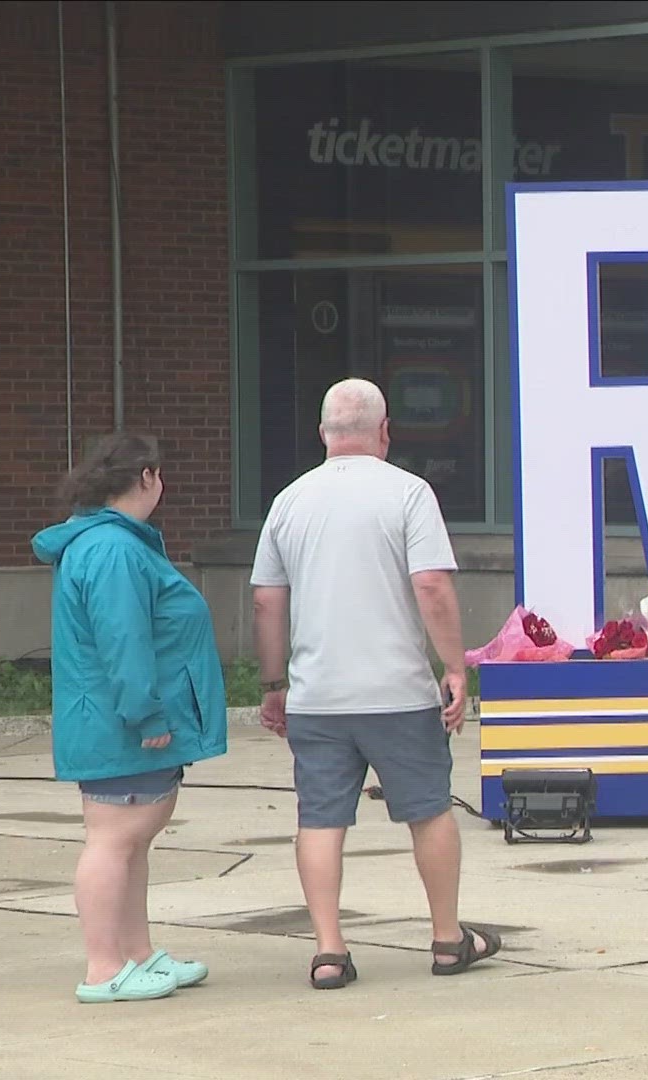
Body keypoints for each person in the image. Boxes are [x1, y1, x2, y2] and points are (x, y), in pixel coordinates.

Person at [251, 378, 499, 990]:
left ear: (324, 434)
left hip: (318, 696)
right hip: (398, 695)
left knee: (320, 821)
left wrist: (274, 682)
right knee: (429, 811)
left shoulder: (289, 500)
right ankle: (446, 940)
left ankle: (330, 952)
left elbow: (265, 601)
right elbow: (433, 587)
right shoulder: (409, 494)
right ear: (385, 432)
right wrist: (455, 667)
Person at [32, 432, 228, 1003]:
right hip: (121, 725)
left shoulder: (110, 543)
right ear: (145, 477)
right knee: (113, 840)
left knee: (130, 845)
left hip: (113, 721)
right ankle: (103, 968)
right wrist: (145, 714)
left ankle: (136, 954)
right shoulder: (114, 550)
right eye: (159, 474)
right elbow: (124, 639)